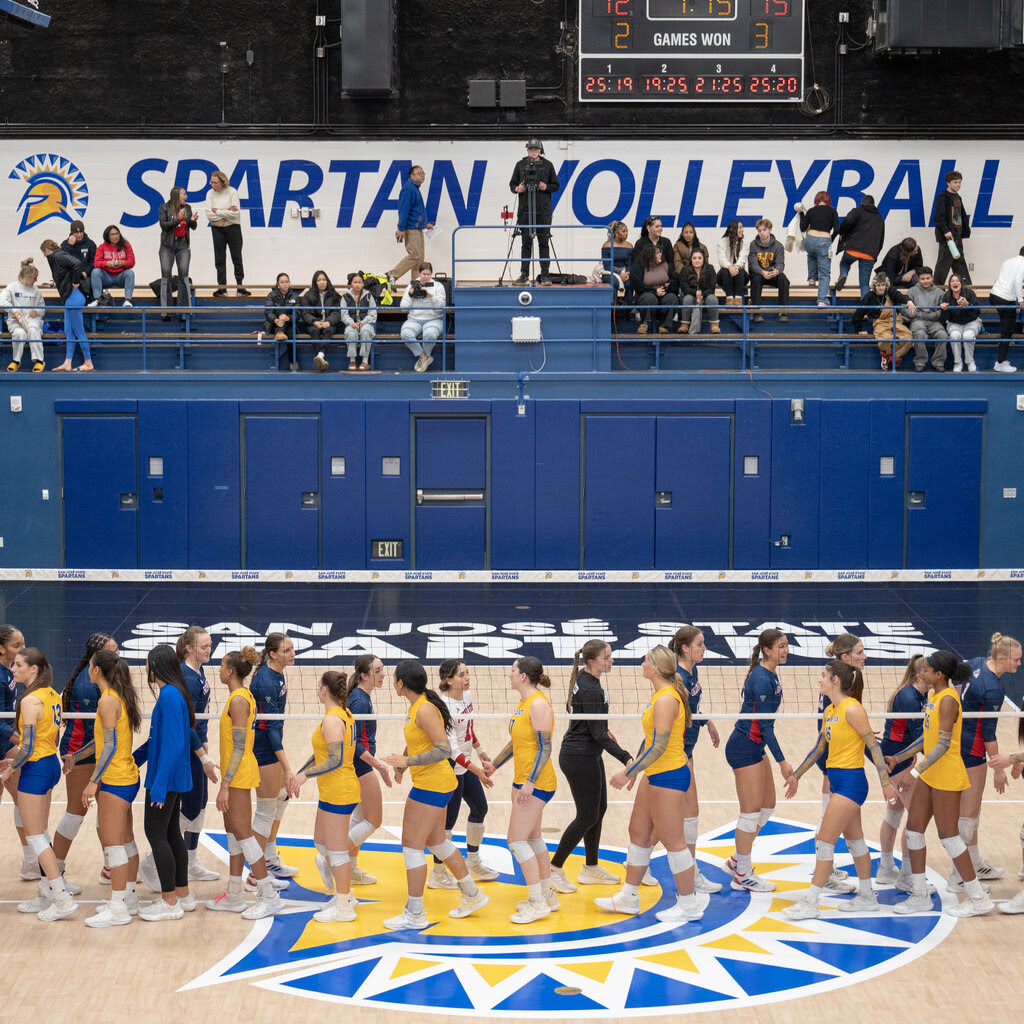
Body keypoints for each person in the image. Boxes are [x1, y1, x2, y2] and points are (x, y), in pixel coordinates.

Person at [596, 645, 708, 923]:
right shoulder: (658, 695)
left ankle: (688, 904)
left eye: (645, 660)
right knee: (638, 831)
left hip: (669, 775)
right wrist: (636, 771)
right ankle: (628, 896)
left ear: (656, 668)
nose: (641, 663)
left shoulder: (666, 699)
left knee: (673, 840)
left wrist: (627, 772)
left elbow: (658, 747)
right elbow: (651, 741)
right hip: (654, 773)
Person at [783, 660, 898, 920]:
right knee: (855, 841)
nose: (819, 679)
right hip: (838, 782)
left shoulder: (853, 709)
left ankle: (811, 901)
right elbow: (819, 749)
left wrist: (886, 783)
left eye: (824, 675)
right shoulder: (830, 711)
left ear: (836, 680)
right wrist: (797, 776)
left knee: (824, 841)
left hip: (851, 782)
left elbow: (874, 747)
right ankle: (867, 896)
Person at [381, 660, 489, 929]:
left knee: (411, 846)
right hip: (435, 781)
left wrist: (407, 762)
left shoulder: (425, 709)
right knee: (438, 841)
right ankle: (472, 894)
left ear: (401, 683)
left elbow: (443, 750)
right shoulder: (419, 706)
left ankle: (415, 913)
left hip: (432, 784)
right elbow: (420, 741)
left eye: (394, 679)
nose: (392, 683)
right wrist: (403, 765)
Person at [886, 651, 994, 917]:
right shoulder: (932, 696)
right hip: (930, 772)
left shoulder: (948, 700)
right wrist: (899, 757)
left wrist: (914, 772)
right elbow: (928, 738)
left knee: (949, 836)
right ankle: (920, 894)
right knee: (914, 829)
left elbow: (944, 744)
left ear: (939, 674)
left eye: (926, 668)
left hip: (945, 774)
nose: (921, 671)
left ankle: (977, 897)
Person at [0, 648, 78, 921]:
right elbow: (53, 738)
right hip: (49, 765)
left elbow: (28, 744)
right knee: (40, 832)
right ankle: (46, 892)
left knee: (34, 836)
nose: (13, 668)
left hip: (35, 769)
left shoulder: (31, 700)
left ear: (33, 669)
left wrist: (10, 768)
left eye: (18, 665)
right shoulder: (52, 694)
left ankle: (61, 898)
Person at [206, 646, 282, 919]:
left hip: (237, 774)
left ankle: (267, 894)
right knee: (233, 832)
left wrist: (225, 785)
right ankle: (235, 892)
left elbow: (239, 747)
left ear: (230, 671)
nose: (219, 670)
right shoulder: (241, 696)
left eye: (222, 665)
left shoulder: (239, 701)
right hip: (236, 771)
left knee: (243, 834)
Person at [549, 640, 631, 894]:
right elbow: (599, 736)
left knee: (599, 809)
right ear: (593, 661)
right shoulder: (591, 689)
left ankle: (591, 868)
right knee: (587, 815)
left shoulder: (586, 680)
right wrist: (627, 758)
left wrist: (603, 731)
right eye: (607, 657)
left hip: (586, 753)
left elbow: (595, 727)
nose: (612, 660)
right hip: (579, 757)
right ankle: (554, 868)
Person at [723, 627, 795, 891]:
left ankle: (735, 859)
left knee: (767, 806)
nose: (786, 650)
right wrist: (782, 762)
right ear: (766, 650)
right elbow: (765, 726)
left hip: (755, 745)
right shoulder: (762, 679)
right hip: (745, 746)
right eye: (781, 646)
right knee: (750, 813)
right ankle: (742, 874)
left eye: (787, 645)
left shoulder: (770, 674)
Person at [289, 670, 362, 923]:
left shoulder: (333, 719)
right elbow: (325, 753)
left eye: (318, 685)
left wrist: (304, 776)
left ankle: (344, 906)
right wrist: (300, 772)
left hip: (340, 790)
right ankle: (345, 895)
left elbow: (335, 759)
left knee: (337, 850)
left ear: (323, 690)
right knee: (321, 841)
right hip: (333, 789)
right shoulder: (342, 714)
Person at [490, 656, 558, 924]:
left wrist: (530, 781)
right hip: (524, 780)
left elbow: (546, 747)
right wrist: (494, 765)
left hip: (537, 783)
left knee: (516, 841)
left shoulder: (539, 704)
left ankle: (537, 903)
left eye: (512, 671)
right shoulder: (523, 703)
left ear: (523, 677)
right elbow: (516, 742)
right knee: (532, 839)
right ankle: (547, 894)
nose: (509, 674)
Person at [950, 633, 1021, 892]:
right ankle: (958, 876)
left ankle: (975, 862)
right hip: (973, 750)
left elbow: (956, 678)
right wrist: (999, 768)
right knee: (968, 815)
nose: (1019, 664)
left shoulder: (977, 661)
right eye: (1016, 660)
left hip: (958, 740)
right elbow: (989, 733)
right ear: (1001, 658)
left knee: (973, 811)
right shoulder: (994, 690)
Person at [78, 648, 143, 927]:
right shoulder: (119, 697)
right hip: (127, 776)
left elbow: (110, 746)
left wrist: (93, 782)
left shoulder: (107, 701)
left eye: (90, 665)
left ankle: (118, 909)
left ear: (96, 671)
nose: (87, 669)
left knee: (113, 844)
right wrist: (76, 757)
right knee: (125, 840)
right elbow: (106, 741)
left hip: (115, 780)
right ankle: (128, 897)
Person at [427, 659, 499, 889]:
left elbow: (468, 728)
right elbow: (451, 749)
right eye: (461, 675)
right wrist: (478, 771)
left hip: (466, 765)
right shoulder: (444, 707)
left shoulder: (466, 697)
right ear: (448, 680)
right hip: (451, 768)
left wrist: (481, 752)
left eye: (468, 673)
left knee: (480, 808)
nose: (467, 678)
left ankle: (474, 861)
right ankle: (438, 874)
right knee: (447, 824)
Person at [138, 644, 196, 921]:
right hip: (171, 775)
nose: (145, 669)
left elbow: (173, 746)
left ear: (154, 666)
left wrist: (159, 787)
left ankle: (169, 902)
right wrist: (134, 759)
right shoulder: (172, 693)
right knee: (171, 833)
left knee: (156, 834)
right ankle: (182, 894)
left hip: (166, 778)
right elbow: (158, 740)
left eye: (147, 664)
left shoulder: (170, 697)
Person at [55, 633, 117, 889]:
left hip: (96, 751)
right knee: (75, 811)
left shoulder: (105, 680)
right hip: (79, 753)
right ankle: (52, 875)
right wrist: (77, 757)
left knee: (108, 811)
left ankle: (110, 868)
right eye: (113, 651)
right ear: (98, 657)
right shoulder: (87, 686)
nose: (118, 655)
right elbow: (99, 735)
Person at [672, 627, 722, 894]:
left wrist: (707, 721)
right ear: (685, 648)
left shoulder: (692, 672)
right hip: (676, 755)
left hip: (684, 752)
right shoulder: (677, 677)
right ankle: (690, 876)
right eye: (700, 644)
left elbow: (692, 708)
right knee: (685, 815)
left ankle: (639, 865)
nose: (705, 648)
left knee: (675, 816)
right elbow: (669, 716)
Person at [877, 654, 930, 891]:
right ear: (921, 675)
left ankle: (886, 868)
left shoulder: (917, 693)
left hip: (898, 755)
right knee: (915, 819)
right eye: (932, 671)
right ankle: (907, 876)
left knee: (894, 812)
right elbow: (924, 738)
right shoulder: (909, 697)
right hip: (897, 760)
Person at [250, 632, 298, 884]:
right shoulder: (266, 680)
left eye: (292, 648)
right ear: (273, 654)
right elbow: (270, 727)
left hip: (272, 743)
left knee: (282, 797)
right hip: (263, 748)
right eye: (287, 650)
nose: (292, 653)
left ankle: (268, 859)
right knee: (266, 809)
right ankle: (255, 875)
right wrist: (287, 767)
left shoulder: (277, 674)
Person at [177, 626, 221, 883]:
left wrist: (205, 743)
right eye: (204, 646)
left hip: (198, 746)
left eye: (210, 645)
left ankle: (191, 861)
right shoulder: (187, 678)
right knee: (192, 806)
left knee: (201, 804)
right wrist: (203, 757)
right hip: (187, 751)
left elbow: (200, 718)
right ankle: (153, 861)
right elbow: (187, 724)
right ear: (189, 648)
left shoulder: (199, 670)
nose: (209, 650)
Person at [346, 655, 392, 885]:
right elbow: (353, 742)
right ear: (364, 675)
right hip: (360, 766)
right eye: (377, 670)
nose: (383, 673)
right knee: (374, 820)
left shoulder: (361, 696)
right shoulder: (360, 701)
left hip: (361, 764)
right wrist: (379, 765)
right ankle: (331, 857)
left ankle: (351, 871)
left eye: (382, 669)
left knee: (360, 818)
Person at [0, 624, 31, 878]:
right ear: (1, 649)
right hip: (5, 741)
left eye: (22, 643)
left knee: (24, 798)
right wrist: (25, 739)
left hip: (5, 744)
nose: (22, 648)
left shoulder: (10, 671)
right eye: (16, 645)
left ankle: (31, 860)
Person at [510, 139, 560, 284]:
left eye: (535, 149)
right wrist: (517, 189)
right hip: (525, 209)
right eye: (530, 149)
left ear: (540, 150)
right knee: (526, 243)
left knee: (543, 242)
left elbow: (556, 185)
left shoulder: (548, 165)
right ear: (527, 150)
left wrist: (546, 187)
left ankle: (545, 274)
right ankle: (524, 274)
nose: (533, 152)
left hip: (543, 210)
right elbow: (512, 184)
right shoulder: (520, 165)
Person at [852, 273, 913, 370]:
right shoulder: (869, 296)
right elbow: (858, 314)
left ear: (886, 285)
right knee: (885, 340)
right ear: (874, 286)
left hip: (895, 320)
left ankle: (891, 356)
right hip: (880, 322)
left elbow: (899, 296)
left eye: (883, 285)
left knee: (908, 338)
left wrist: (908, 301)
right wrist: (858, 330)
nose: (881, 288)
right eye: (878, 285)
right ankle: (888, 355)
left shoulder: (891, 292)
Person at [204, 170, 248, 297]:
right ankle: (222, 288)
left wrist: (217, 211)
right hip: (217, 229)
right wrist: (226, 211)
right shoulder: (210, 194)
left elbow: (236, 214)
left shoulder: (232, 192)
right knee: (220, 259)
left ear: (223, 182)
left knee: (237, 257)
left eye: (215, 183)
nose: (213, 185)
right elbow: (209, 215)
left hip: (233, 228)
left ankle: (240, 288)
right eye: (211, 182)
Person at [387, 165, 433, 286]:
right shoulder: (409, 189)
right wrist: (401, 228)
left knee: (419, 259)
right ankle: (391, 275)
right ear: (411, 176)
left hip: (417, 228)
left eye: (423, 173)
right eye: (419, 173)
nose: (422, 175)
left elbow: (415, 211)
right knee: (415, 256)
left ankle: (416, 285)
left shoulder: (415, 189)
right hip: (411, 229)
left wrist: (424, 224)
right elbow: (404, 209)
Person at [158, 187, 198, 318]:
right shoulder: (164, 207)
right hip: (167, 245)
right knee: (166, 276)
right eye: (183, 194)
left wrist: (192, 220)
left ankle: (185, 311)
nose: (186, 197)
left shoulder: (187, 207)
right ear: (176, 196)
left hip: (182, 244)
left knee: (184, 276)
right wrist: (177, 219)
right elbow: (164, 225)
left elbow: (192, 227)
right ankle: (165, 311)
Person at [834, 194, 885, 296]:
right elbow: (881, 240)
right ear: (873, 204)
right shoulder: (879, 218)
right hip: (869, 254)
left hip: (853, 249)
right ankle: (866, 310)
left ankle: (843, 275)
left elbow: (848, 221)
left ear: (862, 203)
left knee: (845, 263)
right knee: (864, 285)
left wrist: (842, 232)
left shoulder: (857, 211)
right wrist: (875, 254)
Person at [2, 258, 46, 372]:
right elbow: (2, 301)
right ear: (27, 276)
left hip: (32, 321)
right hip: (16, 322)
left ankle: (39, 360)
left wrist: (36, 311)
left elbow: (42, 307)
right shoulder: (12, 287)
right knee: (19, 333)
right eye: (34, 278)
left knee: (32, 329)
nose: (36, 280)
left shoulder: (36, 290)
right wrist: (14, 311)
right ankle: (16, 361)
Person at [400, 261, 446, 372]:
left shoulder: (438, 286)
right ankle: (424, 358)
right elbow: (403, 308)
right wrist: (411, 296)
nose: (426, 277)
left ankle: (425, 358)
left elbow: (442, 307)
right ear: (419, 273)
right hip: (414, 319)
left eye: (429, 274)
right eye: (424, 274)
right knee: (406, 334)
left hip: (434, 319)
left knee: (430, 334)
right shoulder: (412, 285)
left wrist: (430, 296)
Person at [797, 191, 840, 305]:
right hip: (824, 241)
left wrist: (802, 214)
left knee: (811, 254)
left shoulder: (811, 211)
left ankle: (811, 278)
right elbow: (837, 230)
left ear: (816, 200)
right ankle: (821, 300)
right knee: (825, 273)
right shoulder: (833, 212)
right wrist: (831, 239)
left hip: (809, 240)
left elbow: (802, 228)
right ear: (828, 200)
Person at [987, 245, 1024, 373]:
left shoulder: (1008, 261)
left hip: (994, 295)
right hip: (1006, 299)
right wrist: (1021, 300)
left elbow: (997, 278)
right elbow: (1018, 281)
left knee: (1006, 328)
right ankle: (1000, 363)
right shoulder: (1023, 264)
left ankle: (1001, 359)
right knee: (1008, 330)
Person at [905, 266, 949, 372]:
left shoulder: (940, 293)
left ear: (932, 278)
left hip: (934, 321)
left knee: (943, 335)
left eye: (928, 278)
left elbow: (943, 310)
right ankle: (920, 361)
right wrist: (920, 316)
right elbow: (904, 309)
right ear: (918, 279)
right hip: (917, 321)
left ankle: (938, 362)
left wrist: (933, 316)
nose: (925, 281)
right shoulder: (912, 291)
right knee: (919, 334)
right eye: (922, 279)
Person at [633, 237, 678, 335]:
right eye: (658, 253)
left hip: (663, 294)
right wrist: (654, 291)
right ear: (650, 255)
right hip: (645, 294)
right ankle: (644, 324)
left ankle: (664, 326)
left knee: (672, 298)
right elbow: (638, 286)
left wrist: (669, 284)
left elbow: (675, 280)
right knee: (649, 298)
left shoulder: (665, 264)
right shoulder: (639, 266)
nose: (660, 255)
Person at [933, 170, 971, 285]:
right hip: (948, 238)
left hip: (957, 236)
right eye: (955, 182)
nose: (958, 185)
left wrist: (964, 232)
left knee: (960, 263)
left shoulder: (957, 197)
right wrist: (946, 231)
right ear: (948, 183)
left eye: (959, 182)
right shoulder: (943, 197)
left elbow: (962, 215)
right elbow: (938, 217)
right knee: (943, 264)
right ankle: (937, 288)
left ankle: (966, 288)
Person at [748, 219, 790, 322]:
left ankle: (783, 311)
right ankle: (756, 312)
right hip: (759, 274)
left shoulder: (778, 246)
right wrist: (762, 272)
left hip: (772, 273)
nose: (761, 233)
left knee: (784, 280)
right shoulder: (753, 245)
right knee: (756, 279)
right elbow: (753, 264)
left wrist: (777, 271)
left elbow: (780, 263)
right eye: (759, 230)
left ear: (770, 230)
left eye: (764, 230)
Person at [940, 274, 983, 373]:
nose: (955, 283)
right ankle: (958, 363)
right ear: (949, 285)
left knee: (968, 336)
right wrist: (944, 309)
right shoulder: (946, 296)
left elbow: (977, 312)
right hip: (954, 323)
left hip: (971, 322)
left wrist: (968, 305)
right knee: (955, 336)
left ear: (961, 283)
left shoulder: (970, 293)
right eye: (952, 281)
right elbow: (944, 318)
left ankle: (970, 362)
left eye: (957, 281)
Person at [301, 270, 342, 373]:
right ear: (315, 282)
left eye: (324, 279)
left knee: (328, 331)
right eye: (319, 280)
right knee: (314, 331)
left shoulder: (334, 295)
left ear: (327, 281)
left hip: (329, 323)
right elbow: (305, 313)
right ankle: (321, 358)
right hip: (314, 324)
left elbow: (338, 312)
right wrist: (314, 322)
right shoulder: (308, 295)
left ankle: (319, 356)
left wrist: (328, 322)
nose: (322, 282)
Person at [263, 272, 302, 370]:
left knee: (291, 334)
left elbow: (297, 313)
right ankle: (279, 331)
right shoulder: (271, 295)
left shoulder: (295, 297)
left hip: (289, 324)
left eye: (287, 282)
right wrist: (276, 320)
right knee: (281, 317)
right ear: (278, 285)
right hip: (274, 324)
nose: (285, 284)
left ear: (289, 283)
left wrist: (288, 318)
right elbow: (268, 311)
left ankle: (293, 361)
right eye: (282, 282)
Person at [91, 225, 136, 307]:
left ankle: (127, 301)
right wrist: (107, 264)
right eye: (112, 234)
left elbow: (132, 262)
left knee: (130, 273)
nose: (115, 236)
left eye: (117, 234)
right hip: (107, 276)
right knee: (95, 272)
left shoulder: (126, 246)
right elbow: (96, 263)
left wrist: (123, 263)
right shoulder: (102, 247)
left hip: (120, 276)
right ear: (107, 237)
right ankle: (97, 300)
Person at [678, 249, 720, 335]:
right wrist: (695, 293)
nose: (697, 260)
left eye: (699, 258)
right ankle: (684, 325)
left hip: (705, 296)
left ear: (703, 259)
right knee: (688, 298)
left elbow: (712, 288)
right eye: (694, 258)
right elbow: (685, 288)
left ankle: (714, 325)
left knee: (712, 298)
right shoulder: (685, 270)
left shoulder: (710, 269)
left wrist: (701, 295)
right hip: (690, 295)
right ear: (691, 259)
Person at [340, 271, 376, 371]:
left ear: (363, 284)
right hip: (351, 323)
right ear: (351, 283)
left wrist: (363, 322)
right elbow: (344, 314)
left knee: (366, 331)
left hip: (366, 323)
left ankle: (365, 362)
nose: (357, 284)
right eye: (355, 282)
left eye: (359, 282)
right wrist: (351, 323)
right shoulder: (345, 297)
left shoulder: (369, 296)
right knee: (350, 333)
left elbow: (372, 313)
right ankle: (352, 361)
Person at [54, 275, 91, 372]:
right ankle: (68, 362)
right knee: (69, 332)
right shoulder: (56, 262)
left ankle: (88, 362)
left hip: (74, 297)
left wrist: (75, 281)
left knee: (79, 332)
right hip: (69, 298)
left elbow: (76, 265)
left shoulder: (59, 260)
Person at [61, 221, 97, 300]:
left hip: (86, 275)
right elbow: (63, 261)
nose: (79, 235)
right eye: (76, 233)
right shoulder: (65, 244)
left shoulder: (90, 244)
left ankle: (92, 306)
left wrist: (86, 272)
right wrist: (70, 246)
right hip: (72, 276)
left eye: (81, 232)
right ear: (72, 232)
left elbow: (94, 261)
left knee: (90, 283)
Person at [716, 220, 749, 306]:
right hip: (725, 276)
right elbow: (721, 259)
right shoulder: (722, 242)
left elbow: (742, 258)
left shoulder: (745, 242)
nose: (742, 230)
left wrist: (736, 267)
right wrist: (730, 267)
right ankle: (729, 298)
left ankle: (738, 299)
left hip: (740, 275)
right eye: (740, 227)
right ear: (732, 229)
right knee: (726, 271)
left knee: (740, 271)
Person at [601, 221, 633, 306]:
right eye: (623, 231)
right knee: (614, 283)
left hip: (624, 271)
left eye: (627, 231)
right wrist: (619, 274)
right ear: (616, 233)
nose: (626, 234)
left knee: (630, 283)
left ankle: (628, 310)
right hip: (610, 272)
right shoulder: (606, 246)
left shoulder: (629, 246)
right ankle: (612, 310)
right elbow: (606, 266)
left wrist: (627, 273)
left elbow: (630, 263)